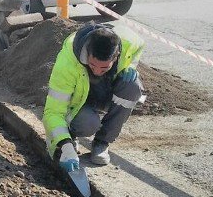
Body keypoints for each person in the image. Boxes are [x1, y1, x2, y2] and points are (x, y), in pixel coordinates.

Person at [43, 22, 144, 172]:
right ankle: (71, 134)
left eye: (104, 67)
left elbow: (140, 45)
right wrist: (65, 145)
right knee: (88, 124)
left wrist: (131, 66)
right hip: (78, 103)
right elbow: (52, 112)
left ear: (116, 56)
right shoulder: (67, 63)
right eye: (92, 65)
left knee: (132, 87)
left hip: (105, 93)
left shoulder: (127, 41)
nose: (97, 71)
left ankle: (102, 142)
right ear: (88, 52)